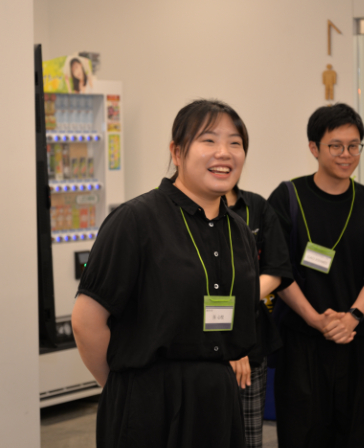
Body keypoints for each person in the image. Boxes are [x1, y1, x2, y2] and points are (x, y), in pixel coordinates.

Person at [71, 99, 260, 447]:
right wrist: (122, 388)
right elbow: (86, 321)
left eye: (235, 143)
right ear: (177, 152)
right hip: (147, 400)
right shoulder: (135, 220)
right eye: (208, 140)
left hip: (217, 398)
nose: (224, 153)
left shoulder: (240, 232)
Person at [267, 103, 364, 448]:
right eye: (336, 146)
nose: (346, 154)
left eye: (354, 146)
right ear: (314, 148)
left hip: (357, 342)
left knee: (358, 433)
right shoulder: (287, 197)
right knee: (301, 434)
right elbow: (277, 267)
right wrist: (315, 319)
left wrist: (352, 317)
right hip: (301, 342)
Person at [225, 185, 293, 448]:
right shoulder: (171, 210)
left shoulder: (257, 206)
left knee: (249, 437)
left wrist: (237, 334)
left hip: (250, 339)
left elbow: (276, 269)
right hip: (198, 345)